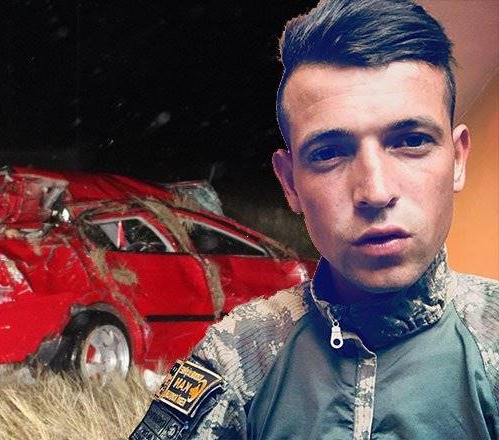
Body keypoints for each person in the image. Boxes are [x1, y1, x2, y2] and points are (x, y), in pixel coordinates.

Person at [130, 1, 498, 439]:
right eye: (329, 153)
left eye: (412, 141)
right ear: (289, 183)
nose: (375, 191)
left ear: (457, 160)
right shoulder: (237, 355)